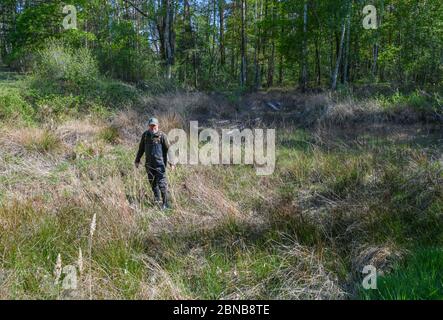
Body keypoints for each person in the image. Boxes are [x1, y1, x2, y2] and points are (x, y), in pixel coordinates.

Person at [135, 117, 174, 210]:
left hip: (160, 165)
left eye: (154, 126)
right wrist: (137, 160)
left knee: (162, 183)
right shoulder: (145, 136)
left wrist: (172, 163)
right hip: (149, 164)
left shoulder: (162, 136)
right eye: (151, 126)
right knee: (152, 182)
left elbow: (169, 150)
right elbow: (141, 149)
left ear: (158, 125)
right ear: (149, 126)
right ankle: (157, 199)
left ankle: (166, 204)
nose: (153, 128)